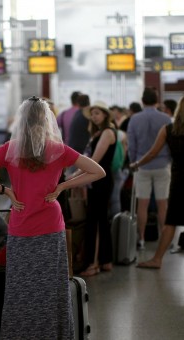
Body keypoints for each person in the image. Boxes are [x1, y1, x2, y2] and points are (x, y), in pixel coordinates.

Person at [0, 96, 105, 339]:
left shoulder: (10, 149)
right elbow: (98, 171)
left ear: (22, 120)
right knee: (51, 289)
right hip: (51, 226)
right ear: (46, 119)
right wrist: (63, 186)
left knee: (20, 290)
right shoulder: (57, 149)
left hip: (20, 225)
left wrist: (6, 190)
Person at [130, 94, 184, 270]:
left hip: (179, 179)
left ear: (178, 110)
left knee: (171, 221)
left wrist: (137, 164)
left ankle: (157, 259)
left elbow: (152, 153)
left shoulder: (168, 129)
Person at [72, 103, 116, 276]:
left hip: (100, 181)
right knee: (102, 219)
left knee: (94, 220)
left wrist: (74, 176)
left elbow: (94, 160)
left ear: (105, 115)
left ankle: (94, 263)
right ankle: (106, 260)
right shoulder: (98, 133)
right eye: (92, 114)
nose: (94, 116)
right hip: (98, 180)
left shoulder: (107, 132)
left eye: (97, 113)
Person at [127, 87, 171, 248]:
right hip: (162, 165)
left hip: (142, 166)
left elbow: (132, 144)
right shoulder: (166, 118)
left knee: (142, 204)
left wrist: (134, 162)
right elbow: (170, 142)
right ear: (157, 101)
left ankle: (142, 239)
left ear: (142, 101)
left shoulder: (135, 119)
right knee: (162, 204)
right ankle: (164, 240)